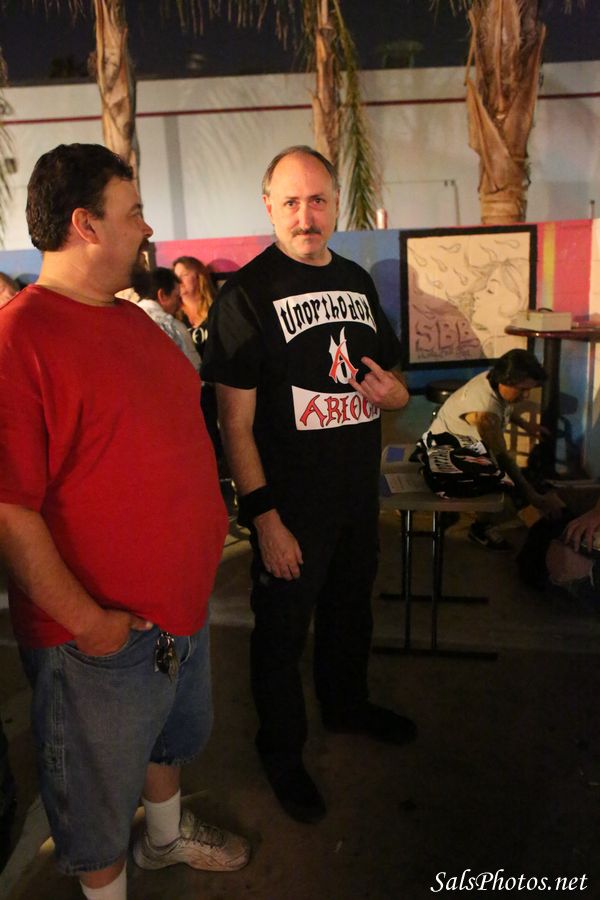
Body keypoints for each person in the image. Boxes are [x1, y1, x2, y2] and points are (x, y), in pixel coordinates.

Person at [0, 144, 250, 900]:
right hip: (98, 638)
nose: (147, 228)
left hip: (175, 610)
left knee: (167, 741)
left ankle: (165, 840)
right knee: (95, 802)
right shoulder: (19, 339)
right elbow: (10, 511)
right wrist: (89, 624)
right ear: (86, 224)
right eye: (133, 211)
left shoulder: (132, 321)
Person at [202, 145, 415, 825]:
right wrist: (264, 519)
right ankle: (282, 752)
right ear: (268, 205)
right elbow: (234, 425)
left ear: (335, 204)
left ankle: (346, 706)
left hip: (355, 497)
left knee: (351, 612)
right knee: (281, 635)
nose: (306, 216)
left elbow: (390, 377)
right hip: (290, 508)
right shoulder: (245, 297)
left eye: (318, 200)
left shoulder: (355, 280)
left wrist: (397, 395)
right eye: (291, 201)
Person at [424, 349, 564, 550]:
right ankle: (480, 528)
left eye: (529, 389)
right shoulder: (484, 412)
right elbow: (502, 458)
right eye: (522, 390)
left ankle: (455, 511)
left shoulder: (492, 379)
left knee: (509, 476)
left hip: (449, 450)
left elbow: (504, 408)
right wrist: (533, 497)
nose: (526, 396)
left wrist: (527, 425)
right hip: (442, 463)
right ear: (505, 380)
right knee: (502, 477)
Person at [173, 255, 221, 460]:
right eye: (176, 277)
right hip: (190, 390)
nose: (180, 282)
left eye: (184, 275)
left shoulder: (217, 307)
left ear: (198, 276)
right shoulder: (173, 315)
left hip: (217, 385)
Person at [131, 266, 201, 371]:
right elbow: (194, 369)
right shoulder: (174, 327)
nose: (179, 304)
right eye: (177, 297)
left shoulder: (125, 320)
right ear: (162, 295)